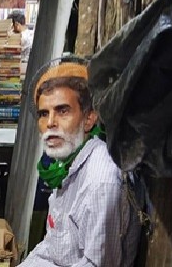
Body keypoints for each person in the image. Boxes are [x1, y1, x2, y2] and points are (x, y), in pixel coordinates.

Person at [19, 59, 140, 266]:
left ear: (89, 119)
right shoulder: (67, 167)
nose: (50, 123)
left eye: (63, 110)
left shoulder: (100, 182)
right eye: (44, 114)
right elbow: (51, 248)